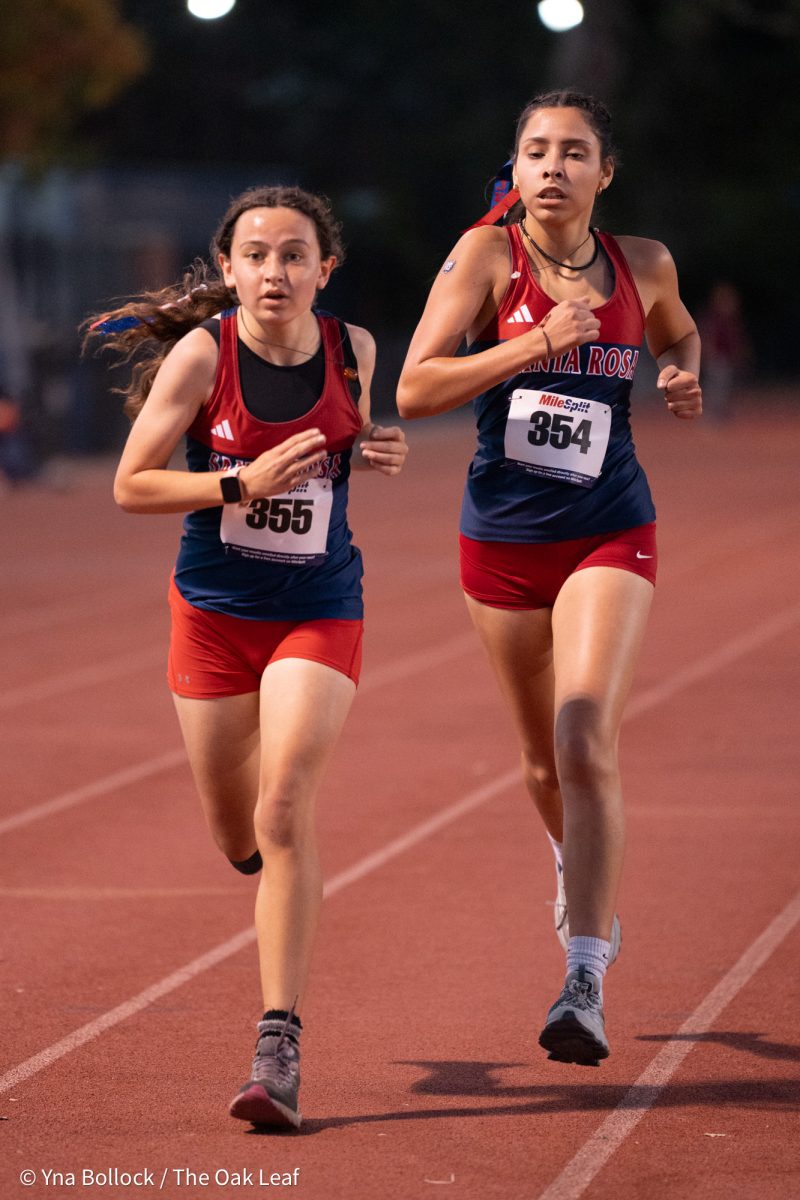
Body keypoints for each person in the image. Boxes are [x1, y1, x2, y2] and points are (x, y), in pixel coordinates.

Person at [85, 185, 408, 1127]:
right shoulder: (201, 356)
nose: (275, 270)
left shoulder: (354, 350)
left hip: (319, 604)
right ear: (228, 270)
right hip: (216, 614)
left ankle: (278, 1042)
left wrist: (373, 447)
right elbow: (131, 485)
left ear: (324, 269)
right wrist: (236, 483)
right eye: (256, 255)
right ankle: (257, 854)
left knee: (285, 803)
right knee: (238, 836)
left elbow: (345, 445)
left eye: (294, 254)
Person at [396, 92, 701, 1066]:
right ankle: (579, 864)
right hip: (501, 539)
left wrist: (677, 371)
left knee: (582, 731)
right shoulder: (483, 259)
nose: (552, 167)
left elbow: (678, 331)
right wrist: (533, 342)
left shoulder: (641, 264)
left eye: (573, 152)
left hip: (609, 524)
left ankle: (582, 969)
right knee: (540, 762)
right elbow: (413, 388)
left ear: (602, 173)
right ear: (515, 169)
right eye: (534, 151)